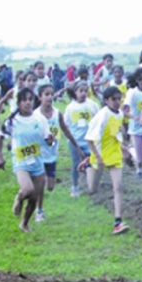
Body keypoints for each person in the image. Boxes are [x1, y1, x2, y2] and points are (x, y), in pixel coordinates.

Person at [0, 88, 53, 232]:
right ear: (19, 103)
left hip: (37, 161)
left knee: (34, 197)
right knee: (27, 189)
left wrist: (50, 140)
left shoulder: (40, 119)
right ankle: (19, 198)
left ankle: (24, 223)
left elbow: (48, 140)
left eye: (30, 100)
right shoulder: (12, 121)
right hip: (20, 160)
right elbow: (0, 138)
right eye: (24, 100)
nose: (28, 103)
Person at [34, 84, 82, 222]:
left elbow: (66, 130)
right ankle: (39, 211)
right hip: (38, 154)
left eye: (51, 94)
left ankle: (37, 194)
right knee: (40, 184)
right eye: (46, 94)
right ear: (40, 97)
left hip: (52, 154)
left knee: (50, 186)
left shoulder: (57, 113)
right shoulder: (35, 115)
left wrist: (77, 147)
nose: (50, 97)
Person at [86, 86, 129, 235]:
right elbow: (89, 139)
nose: (117, 102)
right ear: (106, 101)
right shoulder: (102, 115)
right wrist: (98, 157)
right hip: (100, 153)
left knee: (118, 186)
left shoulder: (120, 114)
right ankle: (88, 165)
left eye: (119, 99)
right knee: (92, 188)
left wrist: (124, 146)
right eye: (113, 99)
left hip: (114, 154)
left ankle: (118, 222)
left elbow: (116, 133)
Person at [63, 80, 99, 197]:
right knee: (75, 164)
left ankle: (92, 186)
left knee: (91, 163)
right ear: (75, 92)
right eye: (81, 91)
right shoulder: (70, 108)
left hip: (89, 141)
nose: (83, 93)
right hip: (75, 142)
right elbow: (66, 124)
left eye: (85, 91)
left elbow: (98, 121)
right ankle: (75, 187)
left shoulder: (92, 105)